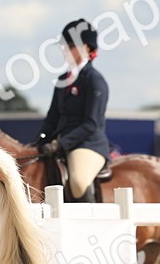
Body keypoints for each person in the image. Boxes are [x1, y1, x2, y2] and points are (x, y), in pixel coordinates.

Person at [29, 19, 110, 203]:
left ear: (88, 49)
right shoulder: (63, 80)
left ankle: (92, 224)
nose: (66, 49)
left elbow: (91, 124)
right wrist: (39, 141)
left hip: (87, 145)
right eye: (65, 45)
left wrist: (60, 144)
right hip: (61, 143)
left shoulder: (95, 81)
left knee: (79, 182)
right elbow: (52, 118)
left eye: (71, 45)